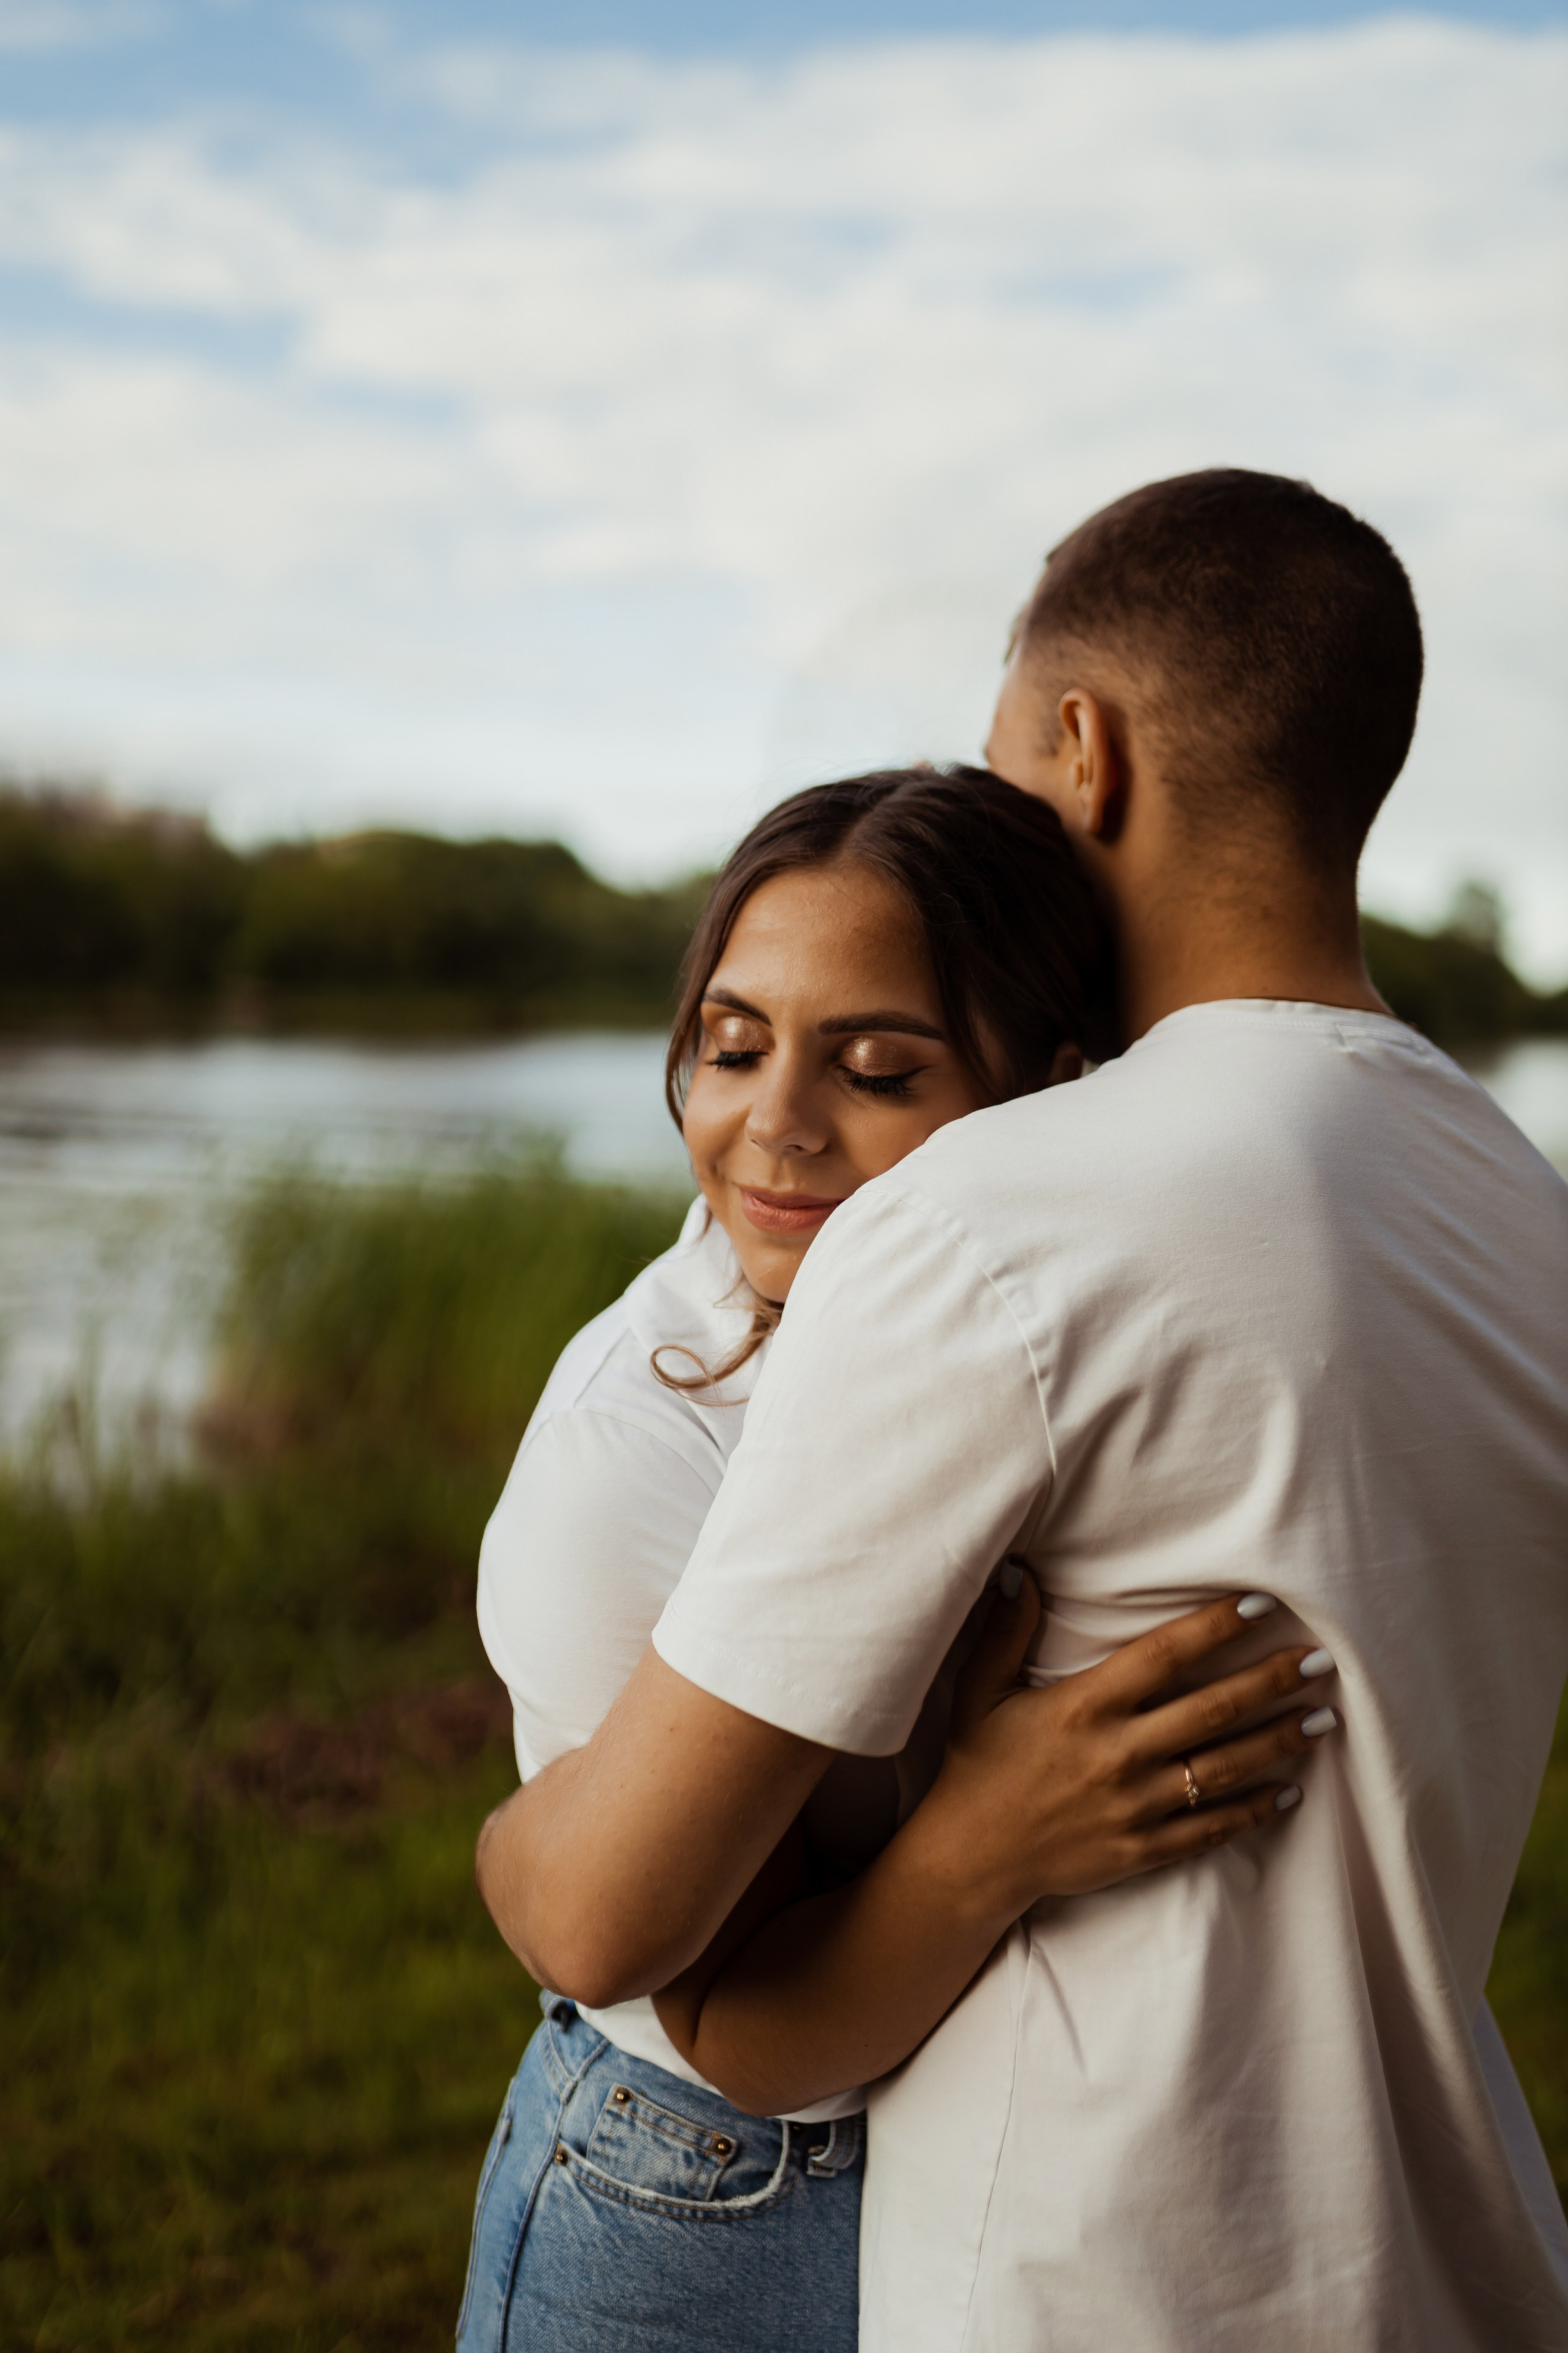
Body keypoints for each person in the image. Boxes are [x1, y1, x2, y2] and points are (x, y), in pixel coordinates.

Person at [479, 470, 1568, 2351]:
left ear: (1084, 748)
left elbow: (594, 1913)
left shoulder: (995, 1215)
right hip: (1431, 2249)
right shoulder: (1506, 1195)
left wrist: (512, 1841)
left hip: (1080, 2280)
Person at [461, 766, 1338, 2353]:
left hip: (968, 2164)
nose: (773, 1126)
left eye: (874, 1068)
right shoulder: (638, 1452)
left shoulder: (1039, 1338)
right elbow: (745, 2023)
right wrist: (984, 1839)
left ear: (1056, 1092)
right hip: (701, 2187)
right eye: (731, 1048)